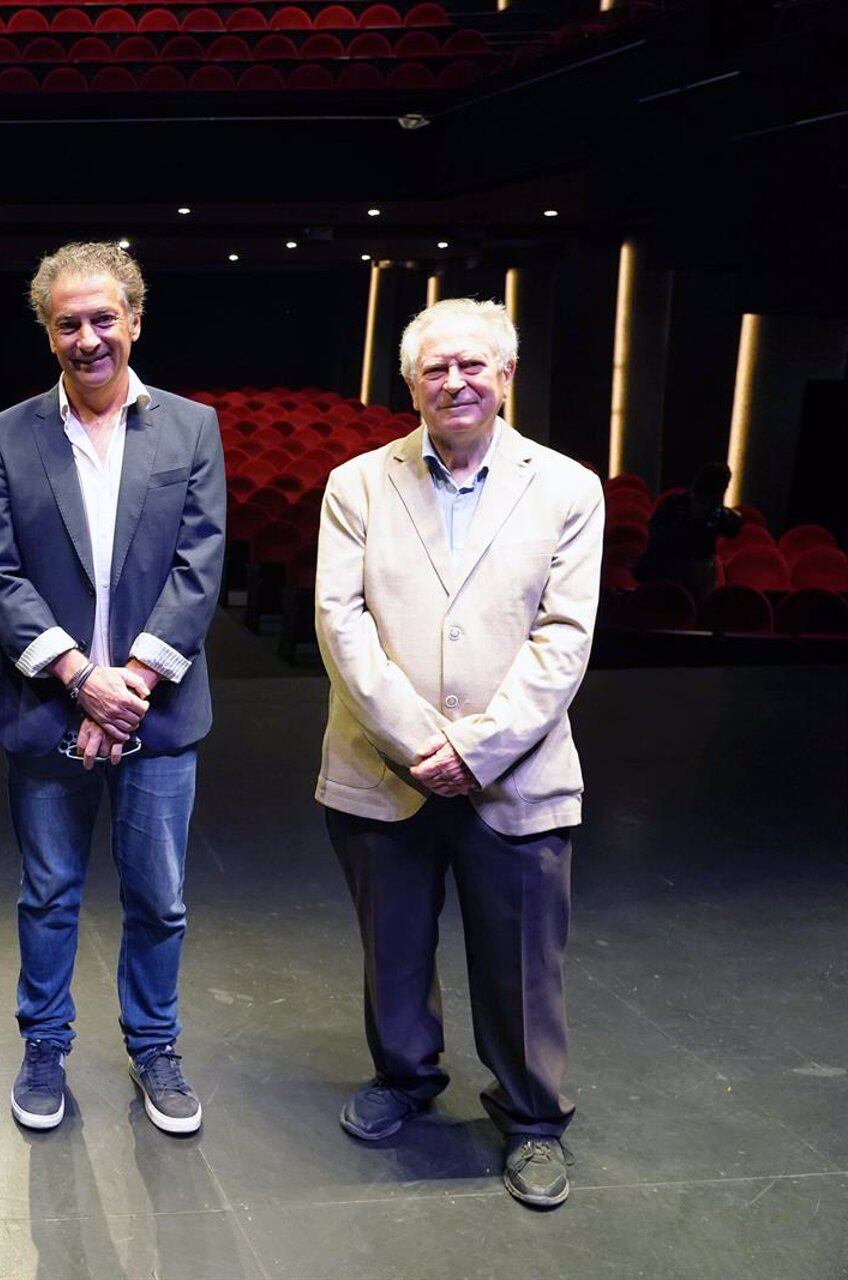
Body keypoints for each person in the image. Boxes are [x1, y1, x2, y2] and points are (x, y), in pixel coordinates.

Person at [313, 297, 604, 1210]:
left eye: (474, 365)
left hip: (516, 772)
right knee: (392, 946)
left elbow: (565, 636)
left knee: (523, 961)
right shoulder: (357, 484)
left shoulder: (567, 488)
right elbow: (340, 621)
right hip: (381, 766)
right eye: (436, 368)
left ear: (507, 376)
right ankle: (404, 1077)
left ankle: (531, 1117)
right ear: (410, 384)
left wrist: (476, 751)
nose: (456, 381)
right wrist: (417, 742)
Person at [0, 242, 226, 1137]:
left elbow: (199, 569)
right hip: (51, 707)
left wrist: (134, 685)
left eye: (103, 319)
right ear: (48, 333)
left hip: (159, 710)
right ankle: (45, 1045)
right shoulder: (5, 436)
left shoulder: (193, 428)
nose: (89, 338)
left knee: (160, 896)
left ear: (136, 321)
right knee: (49, 893)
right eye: (69, 324)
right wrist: (83, 680)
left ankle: (155, 1046)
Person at [635, 462, 741, 599]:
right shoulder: (676, 505)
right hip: (668, 568)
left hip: (696, 573)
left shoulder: (715, 513)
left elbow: (733, 528)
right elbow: (658, 533)